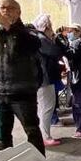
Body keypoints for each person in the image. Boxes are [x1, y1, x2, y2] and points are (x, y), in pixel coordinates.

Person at [0, 0, 46, 155]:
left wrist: (9, 26)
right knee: (1, 136)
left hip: (22, 93)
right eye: (1, 8)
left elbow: (33, 44)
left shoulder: (27, 32)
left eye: (9, 8)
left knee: (32, 131)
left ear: (19, 12)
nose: (4, 11)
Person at [31, 14, 65, 147]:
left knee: (43, 108)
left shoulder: (36, 37)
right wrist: (55, 40)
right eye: (50, 25)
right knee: (47, 108)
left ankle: (43, 135)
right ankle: (45, 137)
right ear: (46, 26)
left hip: (40, 78)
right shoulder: (41, 39)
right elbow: (56, 52)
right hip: (44, 78)